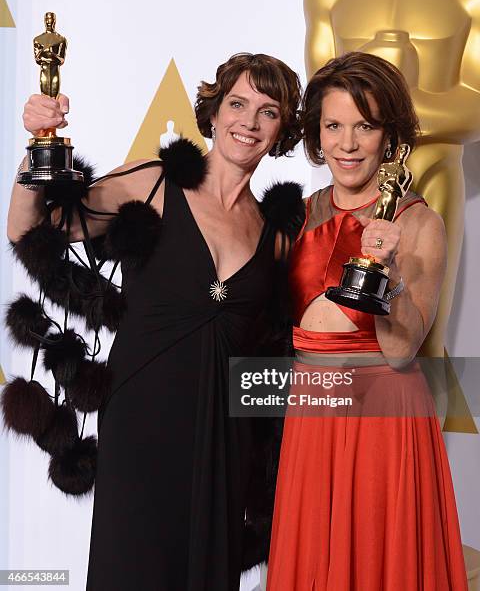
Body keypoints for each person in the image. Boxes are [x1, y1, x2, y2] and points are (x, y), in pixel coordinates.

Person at [6, 53, 303, 591]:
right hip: (142, 417)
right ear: (213, 112)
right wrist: (37, 146)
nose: (249, 122)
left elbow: (273, 351)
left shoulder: (275, 232)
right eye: (237, 103)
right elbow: (30, 230)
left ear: (282, 130)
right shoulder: (154, 183)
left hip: (226, 435)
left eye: (269, 111)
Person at [267, 52, 468, 590]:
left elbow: (403, 350)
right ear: (316, 133)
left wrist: (388, 271)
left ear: (389, 134)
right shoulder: (298, 213)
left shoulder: (417, 221)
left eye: (365, 126)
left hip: (383, 414)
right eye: (333, 126)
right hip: (311, 408)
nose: (348, 144)